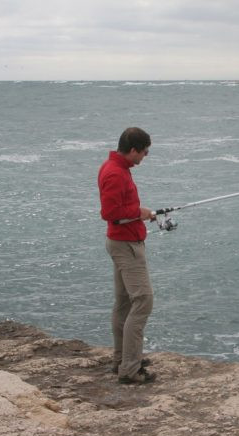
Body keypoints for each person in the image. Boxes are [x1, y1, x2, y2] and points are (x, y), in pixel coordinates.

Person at [98, 127, 157, 384]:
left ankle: (122, 359)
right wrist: (140, 211)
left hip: (121, 242)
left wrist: (137, 212)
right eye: (144, 152)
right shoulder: (115, 173)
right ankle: (130, 369)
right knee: (143, 300)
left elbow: (118, 209)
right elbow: (110, 213)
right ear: (133, 149)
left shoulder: (117, 169)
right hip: (126, 246)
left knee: (123, 303)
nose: (144, 157)